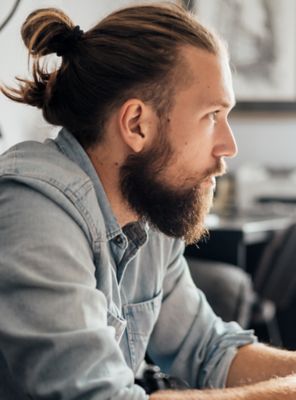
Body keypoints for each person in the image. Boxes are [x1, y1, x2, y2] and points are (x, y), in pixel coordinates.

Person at [0, 3, 296, 400]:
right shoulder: (34, 210)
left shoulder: (146, 212)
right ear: (137, 124)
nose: (229, 146)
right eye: (212, 116)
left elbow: (208, 350)